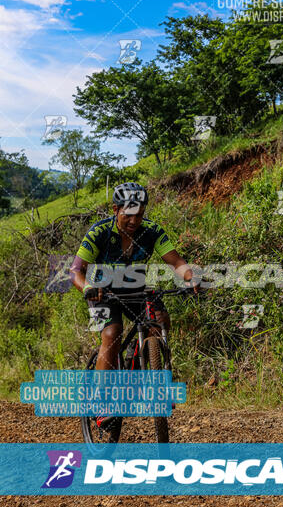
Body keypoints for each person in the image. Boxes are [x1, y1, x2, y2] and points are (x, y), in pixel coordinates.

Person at [70, 182, 198, 429]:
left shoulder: (151, 232)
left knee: (160, 321)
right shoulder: (98, 233)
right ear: (116, 209)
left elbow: (175, 261)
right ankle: (101, 402)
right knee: (112, 333)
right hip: (102, 293)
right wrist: (87, 288)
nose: (134, 220)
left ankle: (147, 374)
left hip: (137, 291)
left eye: (139, 215)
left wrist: (192, 278)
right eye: (128, 214)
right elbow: (76, 270)